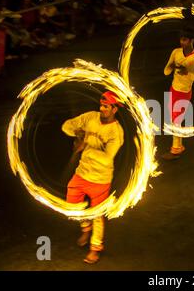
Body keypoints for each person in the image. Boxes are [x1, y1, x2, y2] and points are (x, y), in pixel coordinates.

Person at [62, 91, 124, 264]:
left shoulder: (116, 132)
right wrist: (77, 133)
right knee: (73, 205)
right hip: (82, 172)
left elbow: (107, 158)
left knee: (97, 215)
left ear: (114, 110)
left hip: (100, 179)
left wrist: (86, 143)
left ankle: (95, 248)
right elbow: (66, 125)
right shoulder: (90, 117)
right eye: (101, 105)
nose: (102, 108)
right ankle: (85, 227)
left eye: (106, 106)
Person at [162, 26, 194, 160]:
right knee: (175, 120)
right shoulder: (176, 52)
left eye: (185, 40)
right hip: (173, 89)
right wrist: (171, 67)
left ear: (192, 40)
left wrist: (188, 73)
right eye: (181, 39)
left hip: (184, 93)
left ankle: (176, 150)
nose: (182, 42)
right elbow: (166, 71)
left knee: (176, 120)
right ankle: (179, 147)